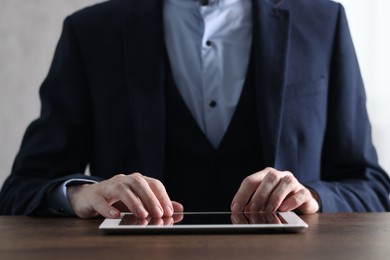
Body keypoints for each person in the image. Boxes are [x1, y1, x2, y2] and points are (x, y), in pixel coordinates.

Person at [1, 0, 389, 219]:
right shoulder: (91, 32)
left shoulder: (324, 22)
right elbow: (21, 189)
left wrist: (314, 197)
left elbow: (372, 187)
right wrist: (81, 195)